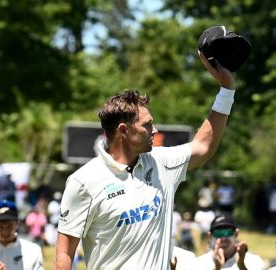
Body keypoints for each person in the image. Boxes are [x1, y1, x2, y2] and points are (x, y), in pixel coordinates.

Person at [54, 50, 237, 269]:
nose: (155, 130)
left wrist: (226, 90)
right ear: (123, 130)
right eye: (147, 125)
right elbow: (64, 253)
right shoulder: (83, 181)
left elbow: (203, 146)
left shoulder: (162, 163)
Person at [194, 214, 265, 269]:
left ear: (236, 234)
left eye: (228, 232)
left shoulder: (253, 261)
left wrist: (241, 266)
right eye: (218, 233)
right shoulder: (199, 263)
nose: (223, 238)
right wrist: (217, 268)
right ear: (210, 236)